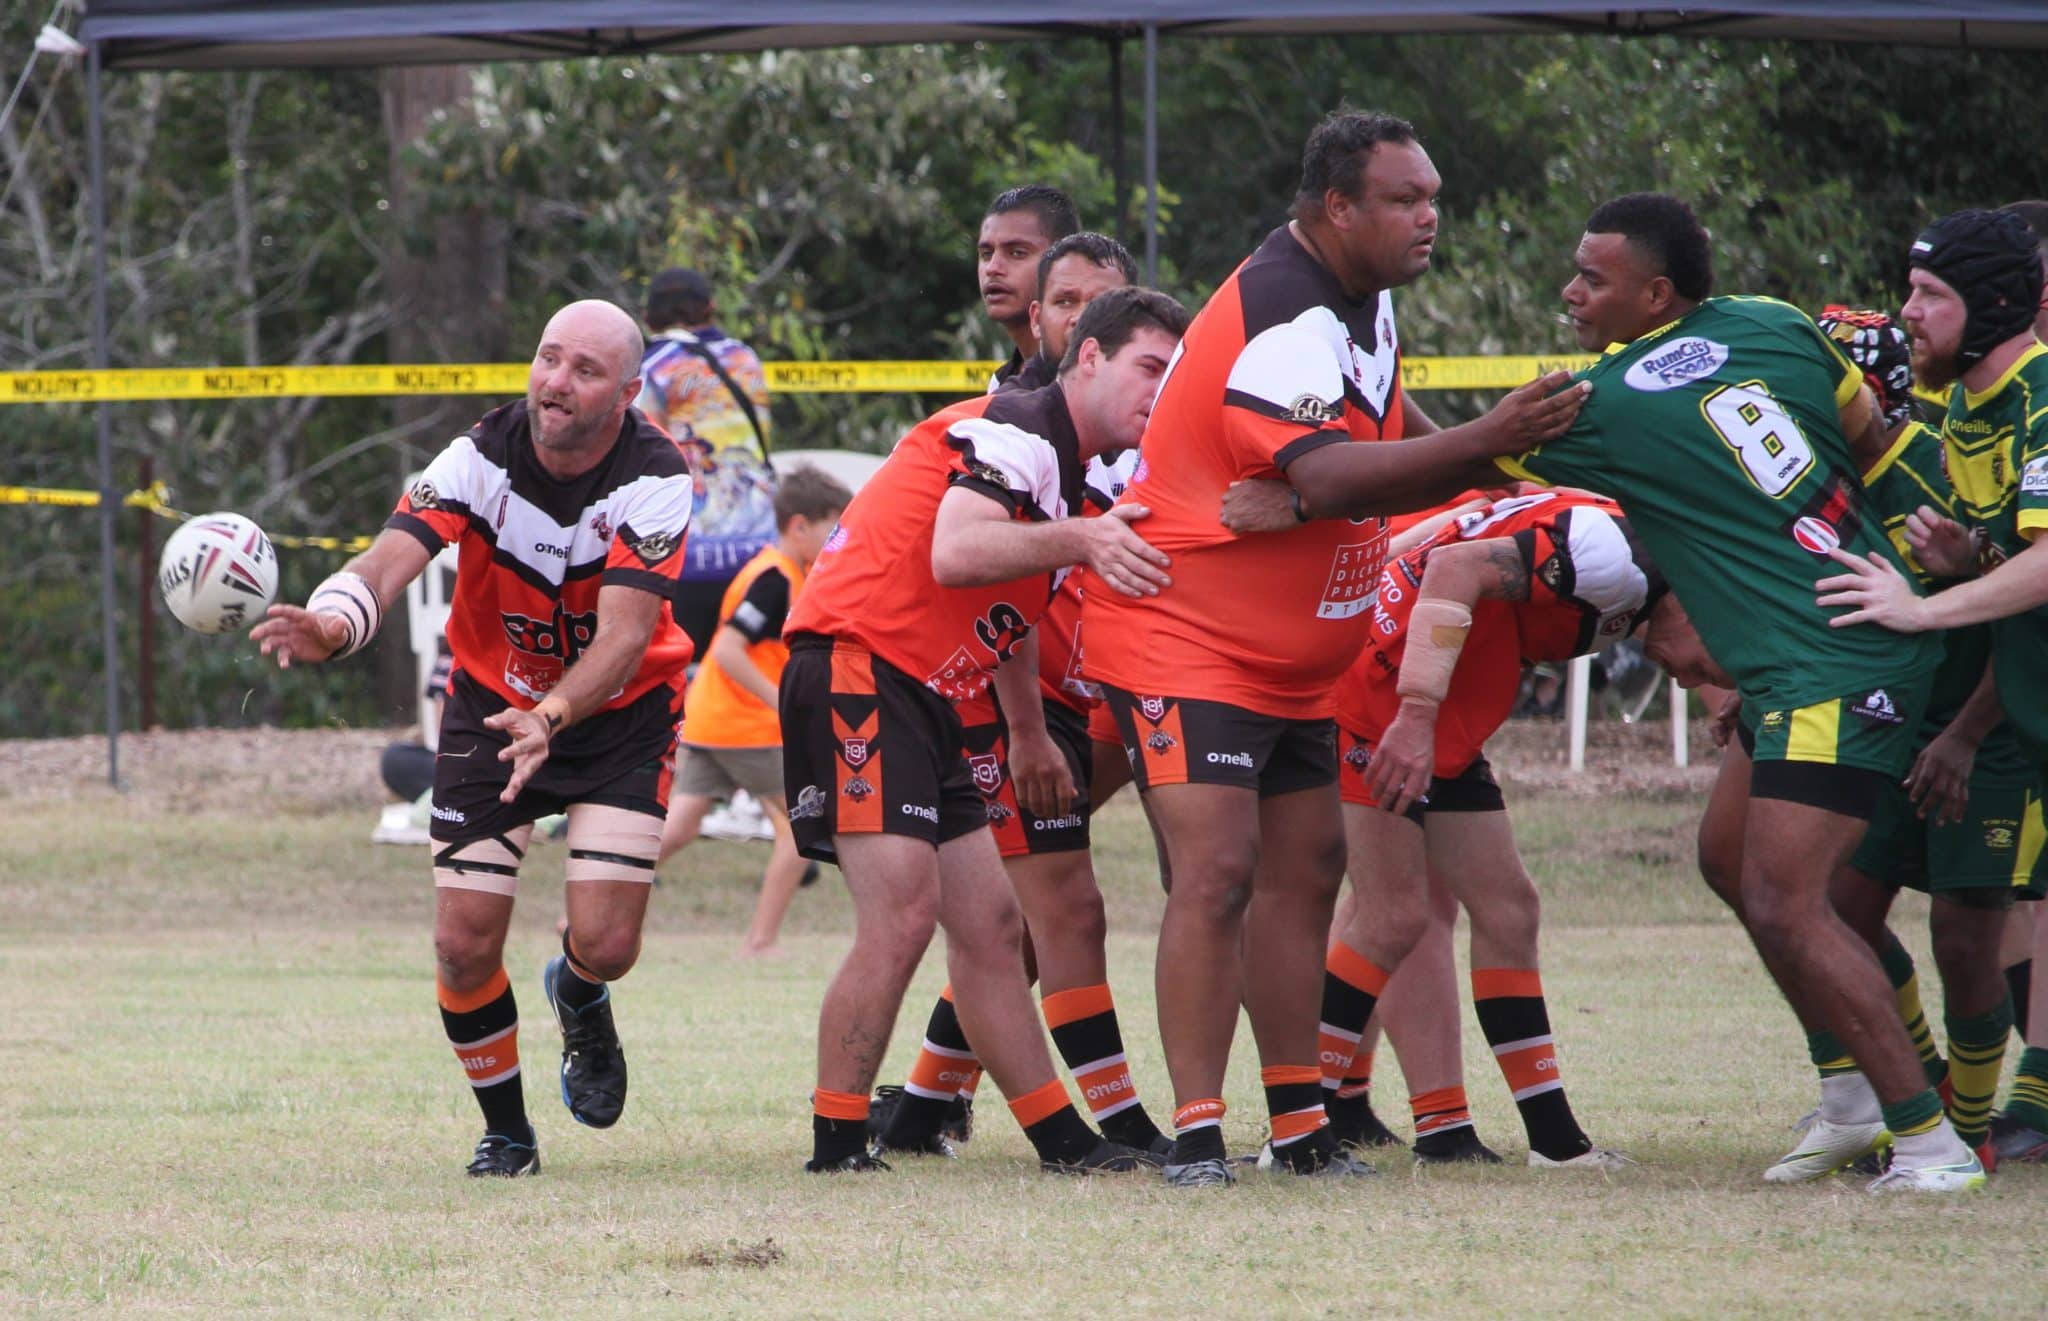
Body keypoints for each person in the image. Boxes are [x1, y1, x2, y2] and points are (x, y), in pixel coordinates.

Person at [1083, 109, 1587, 1188]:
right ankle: (1193, 1132)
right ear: (1333, 208)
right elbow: (1322, 476)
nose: (1427, 218)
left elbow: (1385, 446)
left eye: (1431, 198)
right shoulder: (1282, 314)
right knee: (1217, 872)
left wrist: (1516, 485)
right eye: (1403, 201)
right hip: (1187, 639)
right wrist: (1483, 438)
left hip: (1292, 663)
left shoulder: (1365, 303)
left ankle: (1298, 1126)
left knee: (1307, 874)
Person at [1436, 193, 1966, 1191]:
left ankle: (1931, 1140)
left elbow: (1446, 464)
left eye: (1590, 278)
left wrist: (1308, 475)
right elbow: (1870, 446)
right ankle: (1852, 1098)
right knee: (1728, 861)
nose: (1570, 292)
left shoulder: (1606, 398)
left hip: (1833, 662)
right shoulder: (1775, 322)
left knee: (1786, 896)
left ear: (1654, 290)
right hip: (1807, 655)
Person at [252, 300, 694, 1178]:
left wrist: (553, 717)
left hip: (618, 717)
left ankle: (576, 988)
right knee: (461, 943)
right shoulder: (478, 455)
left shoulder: (657, 476)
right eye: (547, 358)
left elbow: (623, 639)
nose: (555, 382)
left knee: (608, 944)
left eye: (584, 370)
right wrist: (334, 624)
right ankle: (508, 1131)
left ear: (629, 391)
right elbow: (391, 556)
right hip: (492, 709)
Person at [781, 287, 1190, 1173]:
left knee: (993, 923)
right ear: (1088, 357)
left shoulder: (1062, 464)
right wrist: (1083, 540)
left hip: (925, 690)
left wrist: (1028, 730)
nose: (1162, 390)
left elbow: (1003, 600)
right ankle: (837, 1141)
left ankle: (1062, 1139)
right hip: (861, 664)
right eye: (1149, 366)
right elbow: (957, 551)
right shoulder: (1024, 429)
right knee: (900, 919)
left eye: (1175, 373)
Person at [872, 233, 1175, 1159]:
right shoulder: (1009, 427)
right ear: (1051, 327)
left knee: (1023, 924)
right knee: (1055, 912)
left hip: (1095, 702)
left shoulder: (1138, 425)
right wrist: (1028, 727)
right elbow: (977, 572)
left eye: (1100, 300)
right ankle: (1111, 1129)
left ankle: (925, 1102)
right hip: (1001, 704)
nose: (1082, 316)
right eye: (1065, 301)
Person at [1316, 490, 1725, 1170]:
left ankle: (1547, 1140)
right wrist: (1415, 717)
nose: (1689, 683)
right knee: (1392, 914)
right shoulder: (1612, 554)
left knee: (1508, 908)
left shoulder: (1660, 569)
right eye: (1706, 669)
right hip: (1385, 694)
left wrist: (1727, 697)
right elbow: (1452, 568)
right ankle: (1295, 1122)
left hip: (1442, 695)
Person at [1814, 209, 2048, 1168]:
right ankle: (1961, 1115)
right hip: (2014, 701)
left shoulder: (2041, 394)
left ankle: (1974, 1123)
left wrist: (1924, 609)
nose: (1908, 315)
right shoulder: (1964, 409)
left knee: (1969, 923)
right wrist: (1965, 557)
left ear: (1991, 306)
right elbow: (2012, 555)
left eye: (1930, 297)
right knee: (1918, 918)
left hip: (2010, 716)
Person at [658, 465, 852, 957]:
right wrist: (783, 704)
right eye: (833, 530)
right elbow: (725, 650)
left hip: (710, 720)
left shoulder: (784, 573)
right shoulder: (773, 579)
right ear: (799, 526)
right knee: (801, 829)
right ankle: (761, 943)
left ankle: (575, 916)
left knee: (676, 829)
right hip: (748, 728)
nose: (838, 542)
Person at [641, 267, 777, 658]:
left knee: (689, 685)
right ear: (711, 308)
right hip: (760, 557)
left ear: (648, 318)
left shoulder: (651, 368)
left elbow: (642, 458)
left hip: (691, 560)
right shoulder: (745, 357)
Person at [978, 184, 1081, 389]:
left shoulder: (1096, 378)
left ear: (1064, 260)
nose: (993, 268)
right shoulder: (1000, 384)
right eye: (987, 254)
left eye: (1017, 252)